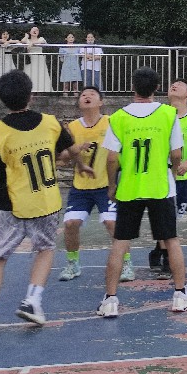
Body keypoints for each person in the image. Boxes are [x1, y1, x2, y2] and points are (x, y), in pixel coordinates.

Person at [0, 69, 90, 336]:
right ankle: (32, 300)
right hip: (45, 202)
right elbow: (70, 150)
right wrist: (81, 164)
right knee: (45, 249)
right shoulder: (50, 123)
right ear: (31, 95)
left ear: (1, 99)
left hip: (11, 204)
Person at [97, 67, 187, 317]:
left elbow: (111, 158)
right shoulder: (168, 114)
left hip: (130, 187)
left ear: (133, 87)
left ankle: (110, 300)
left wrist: (112, 185)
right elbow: (176, 153)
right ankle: (180, 295)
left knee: (120, 242)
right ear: (156, 88)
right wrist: (173, 174)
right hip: (160, 186)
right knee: (171, 240)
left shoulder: (118, 117)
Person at [58, 86, 134, 283]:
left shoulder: (111, 122)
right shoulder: (72, 127)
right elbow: (62, 157)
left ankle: (126, 263)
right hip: (81, 187)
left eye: (92, 94)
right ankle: (73, 263)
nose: (87, 96)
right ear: (78, 103)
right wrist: (76, 149)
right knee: (70, 224)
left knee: (112, 224)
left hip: (106, 185)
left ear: (101, 102)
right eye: (83, 95)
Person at [148, 78, 187, 277]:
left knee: (172, 218)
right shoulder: (160, 114)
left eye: (180, 85)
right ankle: (167, 259)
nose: (174, 85)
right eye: (172, 84)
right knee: (166, 218)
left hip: (186, 177)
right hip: (164, 175)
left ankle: (158, 250)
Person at [21, 26, 53, 93]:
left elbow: (42, 42)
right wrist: (26, 36)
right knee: (30, 74)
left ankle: (40, 92)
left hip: (39, 60)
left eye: (37, 30)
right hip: (30, 60)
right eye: (33, 30)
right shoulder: (27, 40)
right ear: (30, 32)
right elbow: (22, 41)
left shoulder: (41, 38)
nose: (35, 31)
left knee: (40, 75)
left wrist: (32, 43)